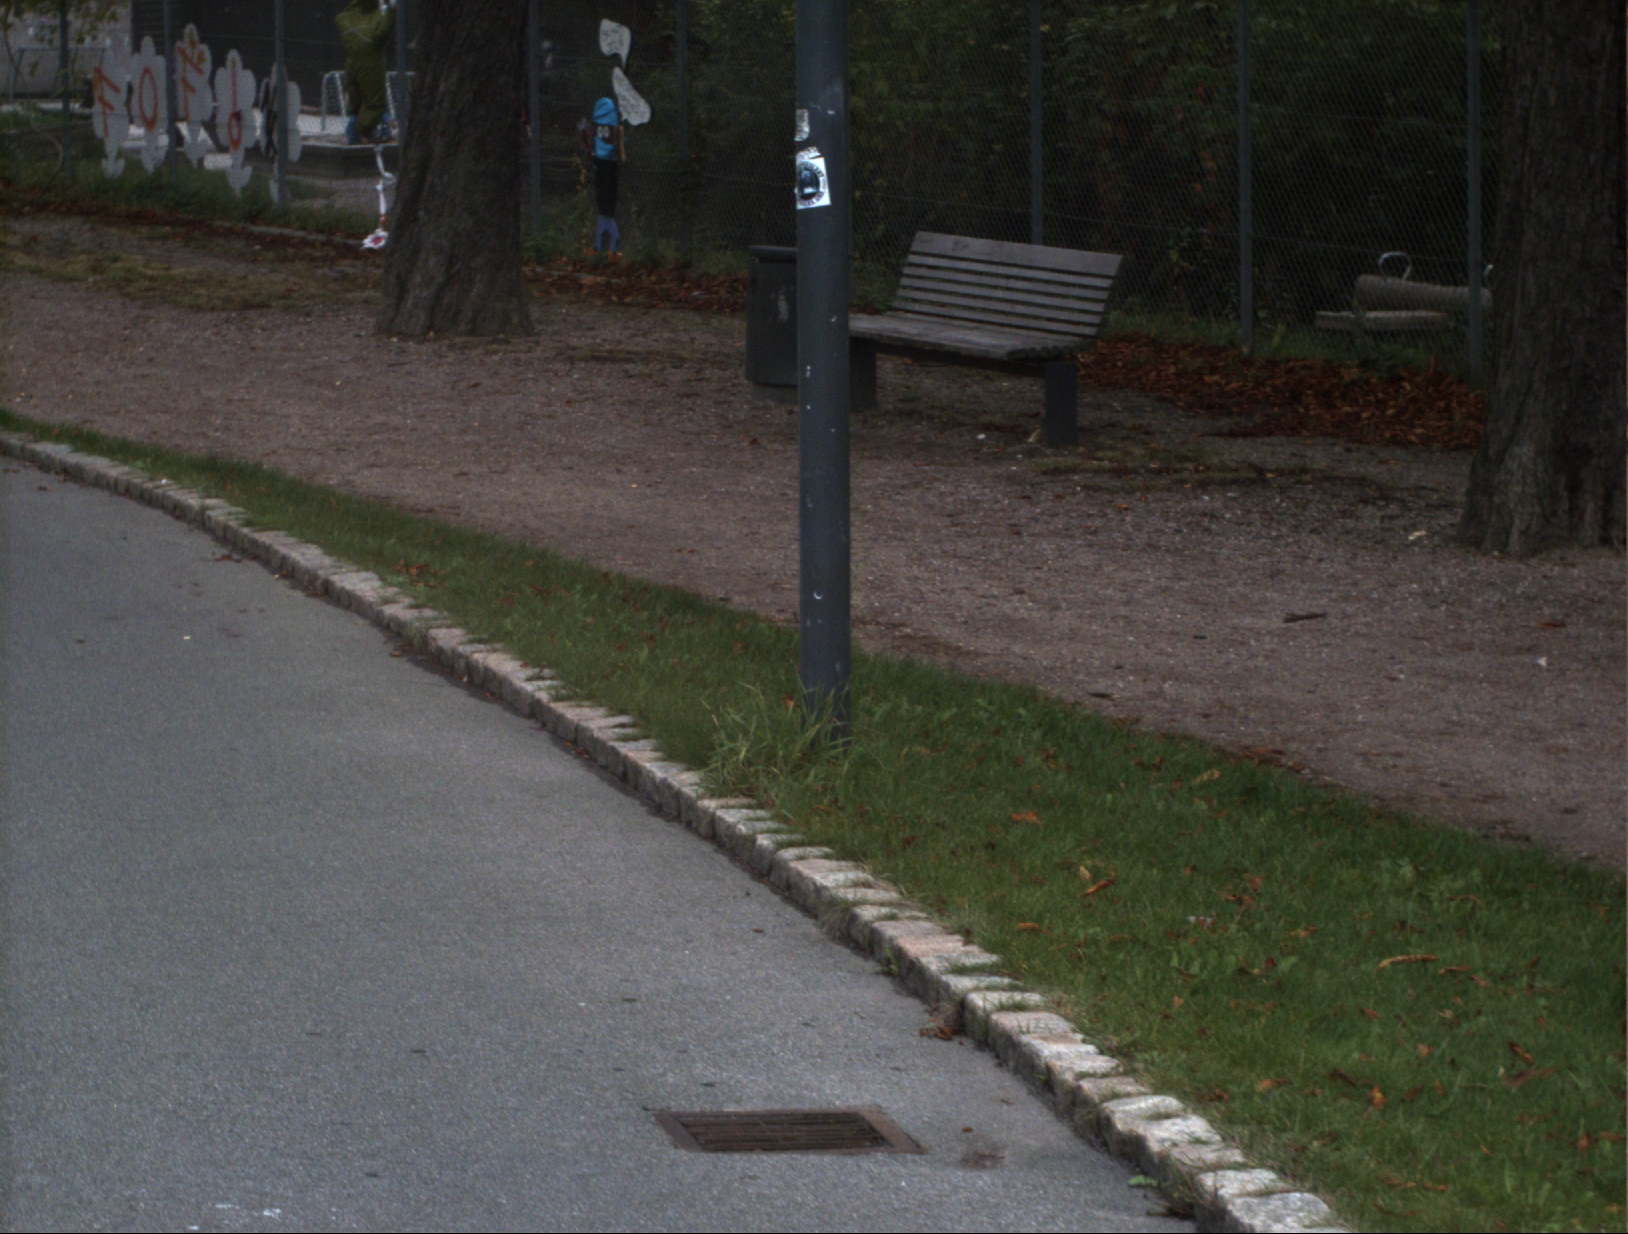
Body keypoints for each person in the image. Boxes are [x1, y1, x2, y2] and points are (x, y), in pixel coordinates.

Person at [337, 0, 396, 145]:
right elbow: (380, 34)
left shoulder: (347, 17)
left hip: (353, 65)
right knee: (373, 104)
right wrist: (389, 11)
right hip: (370, 65)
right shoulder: (375, 18)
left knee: (359, 107)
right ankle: (365, 132)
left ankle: (357, 136)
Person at [591, 96, 625, 255]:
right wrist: (620, 139)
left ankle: (601, 246)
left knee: (604, 210)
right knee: (606, 211)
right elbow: (622, 158)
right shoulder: (614, 131)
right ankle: (608, 246)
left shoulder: (597, 131)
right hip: (609, 169)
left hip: (602, 168)